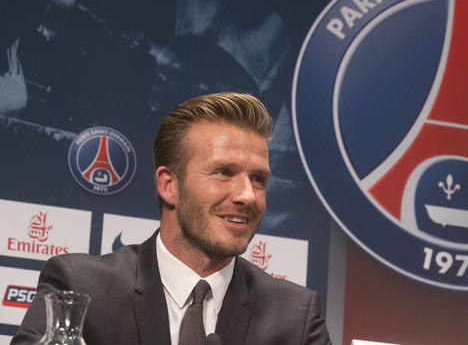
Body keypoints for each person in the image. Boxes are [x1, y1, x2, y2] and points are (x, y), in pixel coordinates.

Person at [11, 92, 332, 345]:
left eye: (258, 179)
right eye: (224, 172)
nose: (247, 195)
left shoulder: (294, 317)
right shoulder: (81, 286)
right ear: (169, 185)